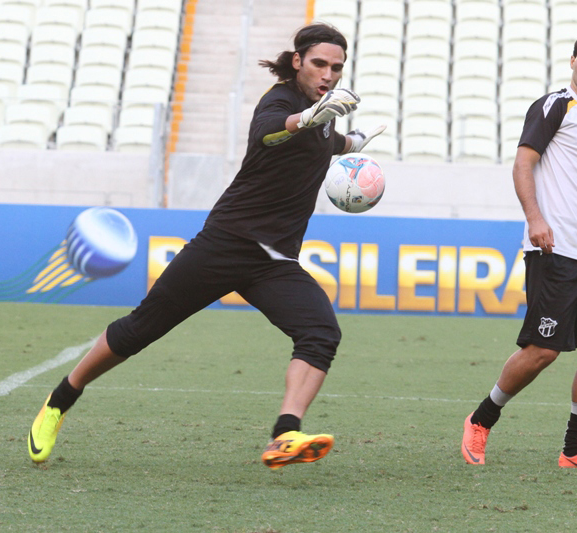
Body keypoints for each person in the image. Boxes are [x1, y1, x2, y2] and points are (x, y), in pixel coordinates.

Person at [28, 23, 385, 470]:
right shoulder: (281, 102)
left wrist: (356, 143)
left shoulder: (321, 119)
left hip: (273, 263)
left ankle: (285, 435)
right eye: (319, 64)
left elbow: (329, 142)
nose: (328, 74)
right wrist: (308, 119)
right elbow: (272, 133)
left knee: (320, 334)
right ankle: (61, 399)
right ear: (297, 62)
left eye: (336, 67)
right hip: (225, 245)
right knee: (140, 330)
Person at [461, 28, 577, 470]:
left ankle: (575, 450)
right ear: (572, 62)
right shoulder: (555, 105)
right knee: (543, 350)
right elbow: (523, 162)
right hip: (556, 250)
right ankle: (481, 418)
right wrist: (535, 218)